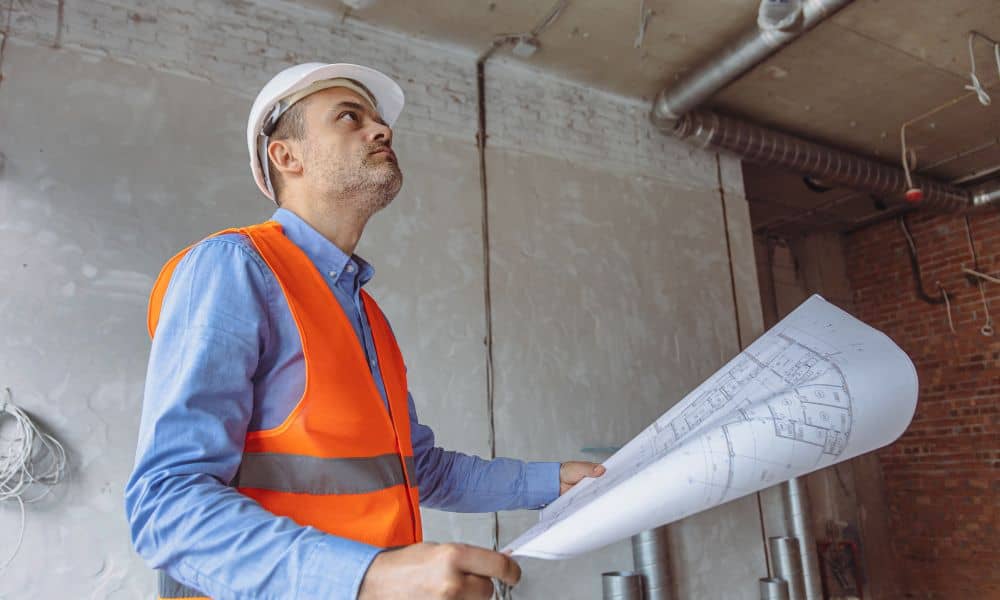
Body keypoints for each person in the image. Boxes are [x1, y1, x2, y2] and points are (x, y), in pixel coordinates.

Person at [125, 62, 605, 600]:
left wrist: (554, 481)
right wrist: (370, 577)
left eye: (377, 120)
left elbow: (421, 469)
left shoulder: (364, 310)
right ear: (288, 156)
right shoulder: (233, 268)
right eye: (349, 117)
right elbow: (165, 505)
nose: (381, 130)